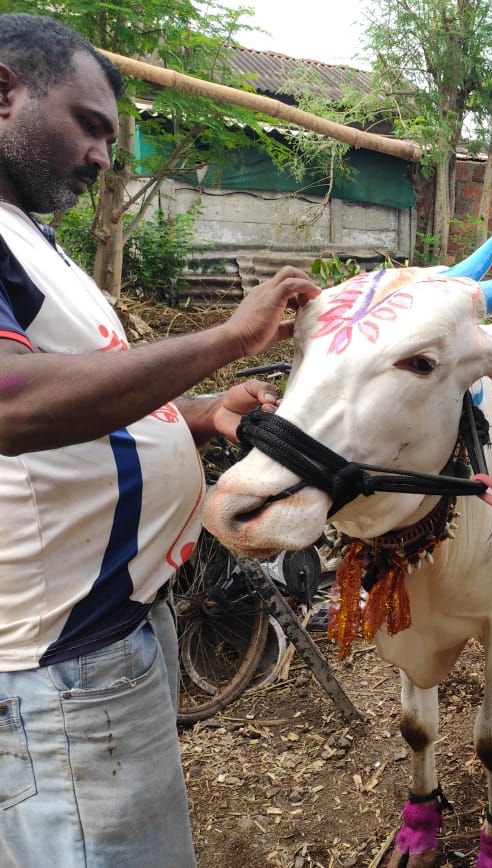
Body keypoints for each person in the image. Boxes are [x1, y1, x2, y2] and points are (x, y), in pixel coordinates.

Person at [0, 14, 320, 868]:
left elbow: (81, 400)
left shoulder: (31, 238)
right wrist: (225, 338)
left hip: (117, 628)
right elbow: (9, 401)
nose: (105, 156)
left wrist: (204, 407)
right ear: (3, 93)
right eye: (90, 125)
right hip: (60, 661)